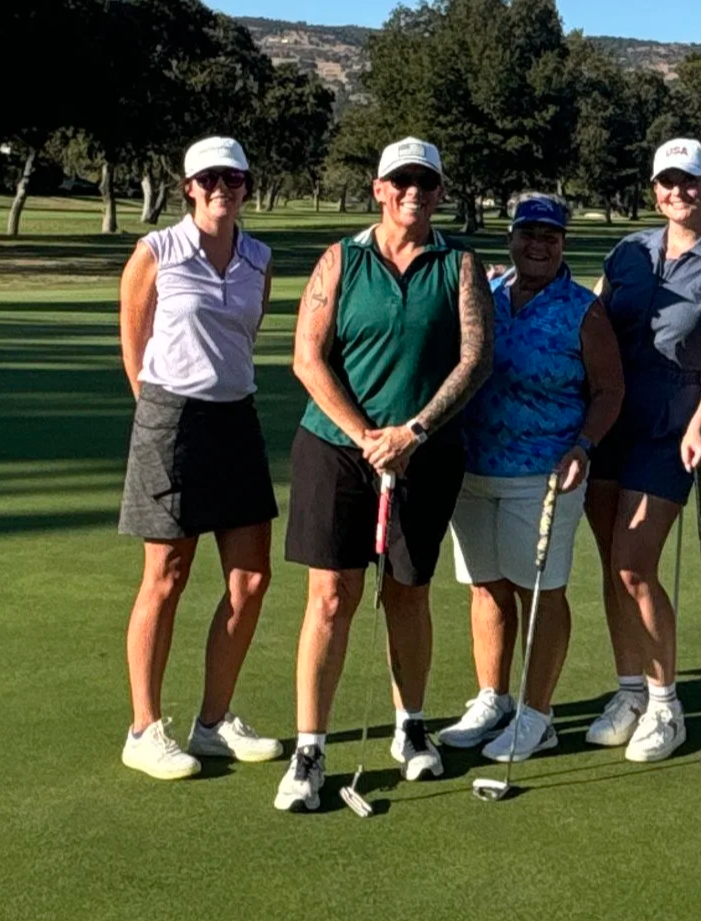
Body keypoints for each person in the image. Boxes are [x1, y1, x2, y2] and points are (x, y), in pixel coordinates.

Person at [272, 138, 493, 813]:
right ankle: (310, 749)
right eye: (401, 181)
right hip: (336, 449)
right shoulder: (341, 258)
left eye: (425, 181)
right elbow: (307, 358)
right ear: (379, 188)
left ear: (439, 191)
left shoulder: (459, 263)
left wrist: (413, 430)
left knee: (408, 589)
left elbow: (475, 357)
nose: (413, 192)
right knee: (331, 596)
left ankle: (411, 725)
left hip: (423, 450)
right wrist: (365, 434)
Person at [584, 138, 701, 763]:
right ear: (654, 189)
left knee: (635, 563)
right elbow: (593, 321)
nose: (678, 193)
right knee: (611, 563)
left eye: (690, 181)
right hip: (609, 418)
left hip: (672, 424)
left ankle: (666, 705)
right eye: (667, 182)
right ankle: (629, 691)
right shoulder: (628, 252)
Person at [116, 136, 284, 779]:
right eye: (210, 178)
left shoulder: (258, 258)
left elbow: (247, 332)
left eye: (234, 178)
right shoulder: (155, 252)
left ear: (246, 185)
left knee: (251, 578)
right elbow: (135, 343)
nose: (223, 188)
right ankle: (143, 729)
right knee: (166, 577)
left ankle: (213, 723)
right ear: (189, 186)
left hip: (236, 417)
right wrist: (159, 415)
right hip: (170, 419)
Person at [438, 194, 626, 762]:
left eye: (549, 235)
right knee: (487, 587)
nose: (537, 244)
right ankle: (493, 697)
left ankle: (537, 714)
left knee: (538, 592)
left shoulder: (582, 309)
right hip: (473, 467)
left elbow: (610, 390)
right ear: (512, 238)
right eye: (528, 234)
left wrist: (583, 446)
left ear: (563, 243)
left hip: (545, 472)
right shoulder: (486, 296)